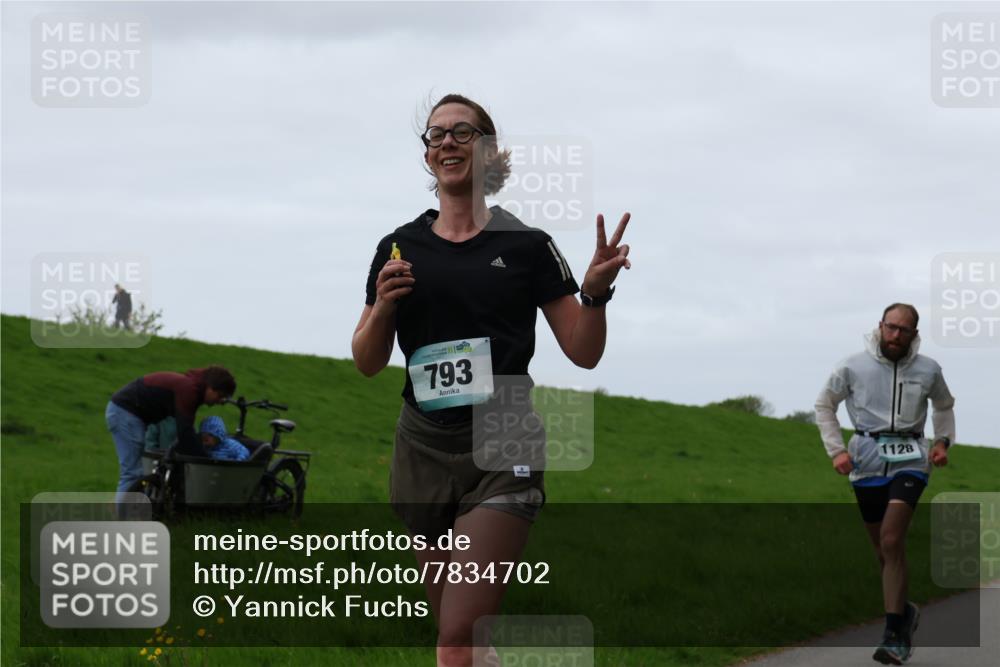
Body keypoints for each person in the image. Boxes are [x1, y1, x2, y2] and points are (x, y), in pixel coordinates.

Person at [352, 94, 632, 667]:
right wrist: (382, 307)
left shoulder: (527, 245)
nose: (447, 142)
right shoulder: (398, 246)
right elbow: (366, 359)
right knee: (467, 637)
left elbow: (583, 352)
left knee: (456, 631)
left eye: (462, 132)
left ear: (488, 149)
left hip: (504, 439)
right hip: (422, 446)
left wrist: (596, 292)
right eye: (435, 135)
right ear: (428, 155)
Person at [815, 303, 955, 665]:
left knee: (893, 539)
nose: (895, 336)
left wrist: (941, 442)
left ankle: (894, 635)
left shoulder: (928, 369)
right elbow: (824, 404)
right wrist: (836, 451)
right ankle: (905, 613)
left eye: (903, 330)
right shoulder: (852, 365)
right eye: (890, 328)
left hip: (911, 456)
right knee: (883, 551)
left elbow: (943, 405)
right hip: (866, 458)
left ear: (914, 334)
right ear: (879, 326)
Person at [106, 366, 236, 496]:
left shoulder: (192, 388)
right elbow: (184, 433)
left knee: (135, 472)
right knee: (132, 473)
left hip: (126, 413)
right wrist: (206, 459)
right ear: (210, 387)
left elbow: (186, 431)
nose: (220, 402)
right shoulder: (189, 390)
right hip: (126, 414)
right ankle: (124, 515)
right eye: (220, 396)